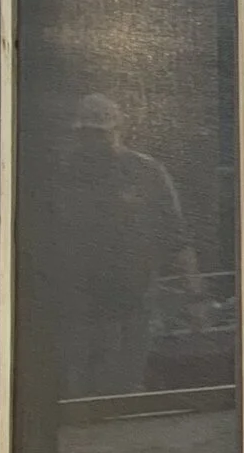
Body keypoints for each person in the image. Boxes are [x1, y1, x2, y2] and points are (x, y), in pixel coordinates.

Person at [57, 95, 198, 396]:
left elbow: (176, 236)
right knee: (81, 381)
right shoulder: (61, 176)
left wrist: (195, 293)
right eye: (87, 135)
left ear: (117, 131)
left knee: (127, 379)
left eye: (100, 134)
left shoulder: (145, 173)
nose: (93, 144)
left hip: (134, 295)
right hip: (79, 300)